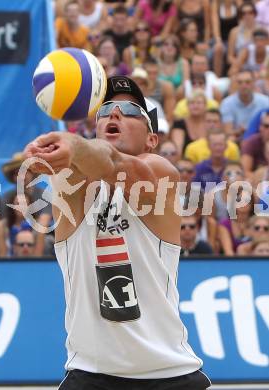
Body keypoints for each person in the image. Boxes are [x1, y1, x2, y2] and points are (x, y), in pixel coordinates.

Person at [24, 75, 211, 389]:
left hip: (170, 374)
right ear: (95, 128)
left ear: (151, 139)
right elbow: (92, 162)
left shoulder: (160, 172)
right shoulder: (71, 182)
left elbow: (117, 166)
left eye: (130, 110)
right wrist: (55, 150)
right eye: (106, 108)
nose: (115, 114)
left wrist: (73, 144)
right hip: (90, 374)